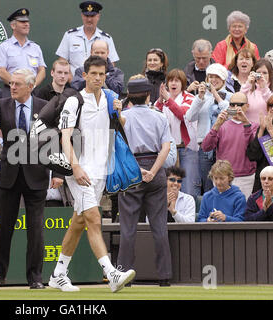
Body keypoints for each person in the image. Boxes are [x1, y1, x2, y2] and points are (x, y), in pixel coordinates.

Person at [48, 56, 135, 293]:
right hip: (79, 171)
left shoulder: (109, 98)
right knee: (94, 219)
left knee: (78, 222)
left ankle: (58, 274)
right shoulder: (73, 101)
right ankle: (111, 273)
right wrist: (74, 167)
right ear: (84, 75)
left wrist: (118, 112)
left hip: (100, 171)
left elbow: (120, 127)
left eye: (102, 74)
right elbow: (64, 136)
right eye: (94, 74)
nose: (98, 78)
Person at [0, 68, 62, 290]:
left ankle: (35, 278)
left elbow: (55, 138)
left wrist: (58, 172)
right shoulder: (2, 104)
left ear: (30, 86)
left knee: (36, 229)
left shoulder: (44, 106)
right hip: (9, 175)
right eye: (11, 84)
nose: (13, 87)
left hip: (36, 175)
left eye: (18, 84)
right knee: (2, 228)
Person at [116, 77, 172, 286]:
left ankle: (123, 276)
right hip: (155, 169)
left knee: (128, 227)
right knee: (159, 226)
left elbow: (119, 148)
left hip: (132, 170)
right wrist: (152, 171)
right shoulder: (159, 117)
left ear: (129, 96)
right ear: (149, 95)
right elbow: (166, 148)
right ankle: (164, 277)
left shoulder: (123, 117)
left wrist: (138, 170)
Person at [201, 92, 258, 200]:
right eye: (232, 104)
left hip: (246, 177)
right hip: (223, 177)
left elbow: (253, 148)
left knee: (243, 213)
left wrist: (245, 122)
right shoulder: (222, 125)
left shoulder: (254, 126)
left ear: (247, 106)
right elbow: (206, 147)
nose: (236, 108)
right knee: (222, 212)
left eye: (240, 104)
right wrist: (217, 125)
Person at [185, 63, 232, 193]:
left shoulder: (230, 96)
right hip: (205, 147)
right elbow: (189, 117)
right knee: (207, 185)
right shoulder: (202, 97)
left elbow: (229, 114)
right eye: (210, 77)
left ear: (223, 79)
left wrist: (215, 94)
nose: (213, 80)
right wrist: (200, 97)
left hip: (224, 146)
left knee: (224, 183)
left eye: (216, 77)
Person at [155, 69, 200, 198]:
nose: (173, 83)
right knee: (166, 187)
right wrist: (160, 100)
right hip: (167, 150)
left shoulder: (189, 98)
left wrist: (168, 100)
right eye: (171, 80)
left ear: (183, 83)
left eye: (177, 80)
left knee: (189, 188)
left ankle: (190, 217)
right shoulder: (163, 100)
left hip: (186, 149)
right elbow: (154, 117)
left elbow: (182, 114)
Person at [55, 1, 119, 76]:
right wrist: (72, 82)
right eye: (86, 16)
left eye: (92, 16)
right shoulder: (70, 36)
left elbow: (111, 65)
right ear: (82, 16)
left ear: (98, 16)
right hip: (73, 83)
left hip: (98, 83)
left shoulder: (106, 39)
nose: (89, 20)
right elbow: (62, 62)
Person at [0, 8, 46, 98]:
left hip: (32, 92)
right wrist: (17, 85)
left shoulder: (35, 47)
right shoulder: (3, 47)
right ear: (13, 25)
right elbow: (1, 72)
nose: (26, 24)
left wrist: (31, 86)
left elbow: (42, 71)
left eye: (27, 22)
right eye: (22, 22)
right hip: (11, 91)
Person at [246, 94, 273, 192]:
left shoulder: (269, 128)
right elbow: (252, 155)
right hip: (262, 181)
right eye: (271, 105)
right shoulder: (264, 125)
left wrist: (272, 133)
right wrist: (262, 130)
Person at [240, 58, 273, 125]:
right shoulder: (248, 89)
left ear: (270, 74)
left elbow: (271, 104)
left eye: (264, 73)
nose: (261, 76)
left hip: (266, 131)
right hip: (248, 130)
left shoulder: (271, 91)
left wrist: (264, 88)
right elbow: (238, 101)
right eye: (258, 73)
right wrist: (248, 83)